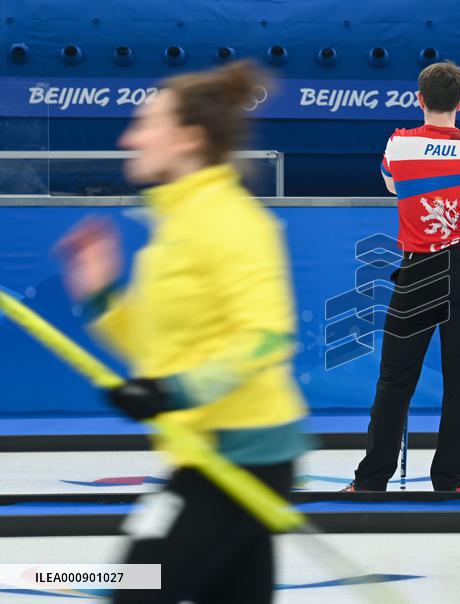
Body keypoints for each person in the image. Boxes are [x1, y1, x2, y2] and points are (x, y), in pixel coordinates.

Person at [55, 61, 312, 603]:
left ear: (189, 139)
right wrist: (101, 296)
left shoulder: (231, 221)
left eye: (146, 123)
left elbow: (266, 338)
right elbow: (157, 349)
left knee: (134, 587)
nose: (130, 137)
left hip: (240, 460)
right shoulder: (174, 225)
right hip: (206, 454)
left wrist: (173, 392)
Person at [344, 60, 460, 492]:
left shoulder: (398, 145)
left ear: (419, 99)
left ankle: (372, 478)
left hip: (419, 269)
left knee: (395, 379)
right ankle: (448, 480)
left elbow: (393, 187)